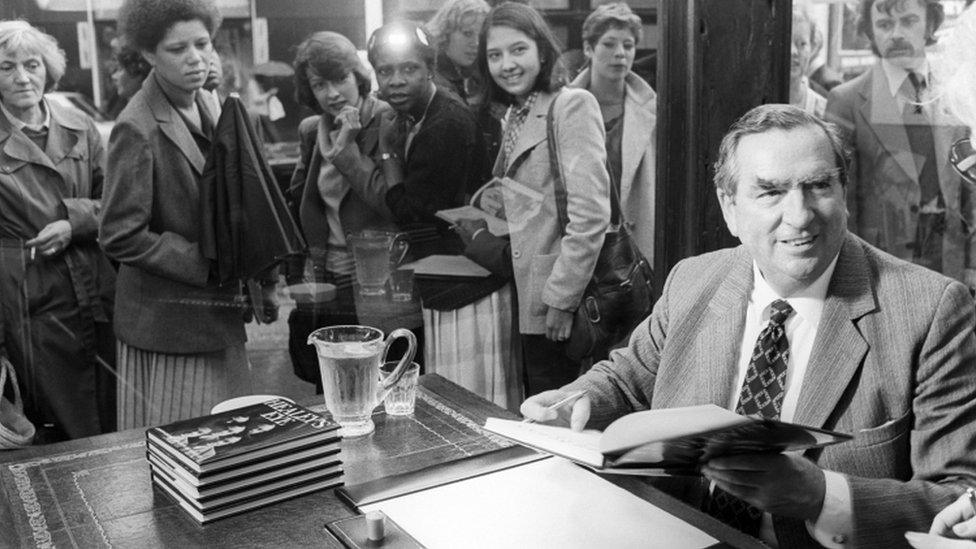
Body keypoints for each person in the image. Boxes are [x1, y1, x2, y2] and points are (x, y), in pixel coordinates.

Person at [522, 104, 976, 547]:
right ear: (730, 208)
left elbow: (959, 498)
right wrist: (574, 402)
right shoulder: (693, 280)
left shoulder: (932, 311)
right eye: (770, 192)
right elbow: (627, 381)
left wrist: (820, 495)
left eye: (818, 185)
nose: (799, 216)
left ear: (844, 192)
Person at [100, 0, 255, 429]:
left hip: (214, 315)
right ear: (149, 53)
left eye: (203, 44)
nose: (195, 58)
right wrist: (203, 263)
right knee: (188, 453)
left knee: (231, 447)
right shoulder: (137, 125)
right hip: (170, 327)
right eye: (177, 49)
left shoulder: (207, 101)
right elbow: (118, 234)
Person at [467, 2, 610, 394]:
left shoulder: (570, 105)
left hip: (557, 297)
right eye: (494, 55)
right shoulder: (515, 113)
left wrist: (563, 300)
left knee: (559, 412)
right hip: (527, 289)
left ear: (542, 52)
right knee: (537, 403)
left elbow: (591, 214)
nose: (506, 64)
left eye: (518, 50)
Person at [0, 20, 116, 442]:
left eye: (31, 64)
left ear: (47, 69)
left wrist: (74, 222)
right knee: (46, 420)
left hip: (92, 283)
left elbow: (118, 203)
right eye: (6, 66)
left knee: (108, 409)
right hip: (24, 293)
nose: (21, 77)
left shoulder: (80, 125)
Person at [825, 0, 973, 287]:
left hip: (951, 267)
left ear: (930, 24)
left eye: (908, 21)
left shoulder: (958, 95)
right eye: (884, 24)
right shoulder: (847, 101)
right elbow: (840, 200)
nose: (896, 34)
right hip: (882, 268)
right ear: (869, 31)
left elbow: (970, 188)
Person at [284, 31, 399, 390]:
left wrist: (349, 150)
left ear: (358, 77)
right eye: (319, 84)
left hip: (375, 272)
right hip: (326, 270)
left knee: (377, 378)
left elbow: (391, 202)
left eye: (339, 79)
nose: (331, 93)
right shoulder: (312, 130)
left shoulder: (387, 119)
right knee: (331, 380)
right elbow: (300, 200)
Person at [570, 2, 656, 259]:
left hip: (633, 243)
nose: (620, 53)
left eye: (628, 46)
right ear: (588, 48)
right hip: (579, 240)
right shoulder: (564, 106)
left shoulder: (653, 109)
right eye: (609, 44)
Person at [425, 0, 500, 197]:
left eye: (481, 35)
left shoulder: (475, 75)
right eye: (467, 33)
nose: (476, 43)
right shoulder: (436, 81)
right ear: (445, 34)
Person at [790, 5, 827, 118]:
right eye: (787, 42)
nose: (794, 51)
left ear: (813, 48)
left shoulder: (822, 109)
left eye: (802, 44)